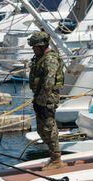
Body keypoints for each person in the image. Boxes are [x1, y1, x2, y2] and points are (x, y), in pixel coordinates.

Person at [28, 30, 65, 170]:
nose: (33, 49)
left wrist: (43, 101)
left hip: (48, 97)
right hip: (39, 96)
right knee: (41, 129)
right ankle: (53, 156)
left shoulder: (50, 59)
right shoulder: (39, 58)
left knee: (49, 128)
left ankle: (57, 159)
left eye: (35, 47)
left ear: (42, 46)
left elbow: (49, 81)